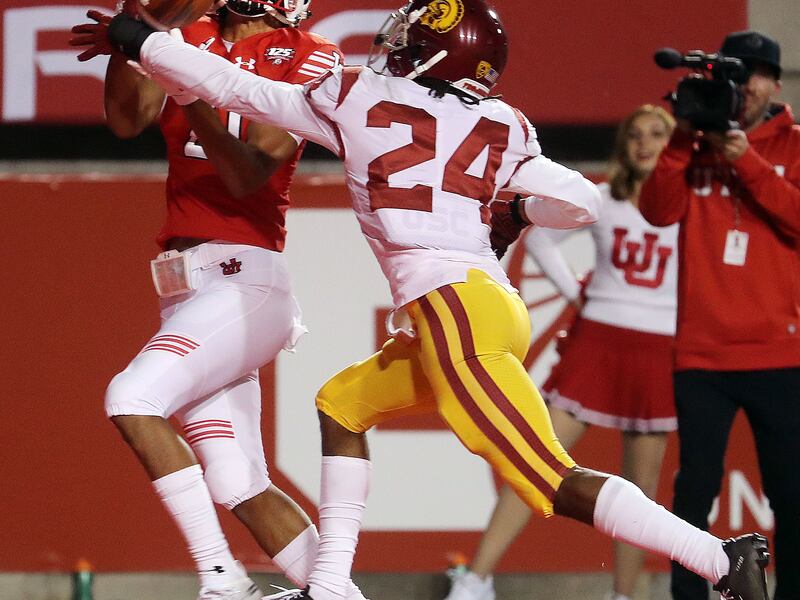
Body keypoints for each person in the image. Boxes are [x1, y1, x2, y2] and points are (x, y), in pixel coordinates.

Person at [103, 2, 772, 599]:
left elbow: (229, 85)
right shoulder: (502, 120)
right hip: (477, 304)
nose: (397, 39)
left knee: (548, 481)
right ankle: (330, 585)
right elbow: (584, 202)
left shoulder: (354, 94)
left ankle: (716, 555)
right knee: (342, 405)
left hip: (452, 312)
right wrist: (515, 213)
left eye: (413, 33)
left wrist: (140, 39)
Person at [68, 2, 366, 599]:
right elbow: (127, 121)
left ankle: (221, 577)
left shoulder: (311, 54)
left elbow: (249, 171)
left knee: (132, 396)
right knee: (237, 481)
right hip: (186, 290)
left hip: (244, 280)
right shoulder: (190, 35)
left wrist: (187, 90)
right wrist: (140, 29)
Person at [445, 104, 678, 600]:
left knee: (642, 489)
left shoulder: (691, 205)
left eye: (657, 134)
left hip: (661, 349)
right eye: (635, 134)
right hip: (597, 343)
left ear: (672, 143)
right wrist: (577, 295)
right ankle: (477, 579)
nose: (645, 143)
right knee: (536, 459)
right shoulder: (603, 198)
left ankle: (625, 594)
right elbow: (543, 239)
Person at [637, 30, 800, 600]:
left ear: (776, 83)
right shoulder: (694, 147)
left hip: (780, 354)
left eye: (755, 72)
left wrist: (748, 162)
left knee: (791, 493)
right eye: (735, 73)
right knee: (693, 494)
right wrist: (682, 140)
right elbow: (657, 212)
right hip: (702, 354)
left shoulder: (794, 146)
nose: (744, 85)